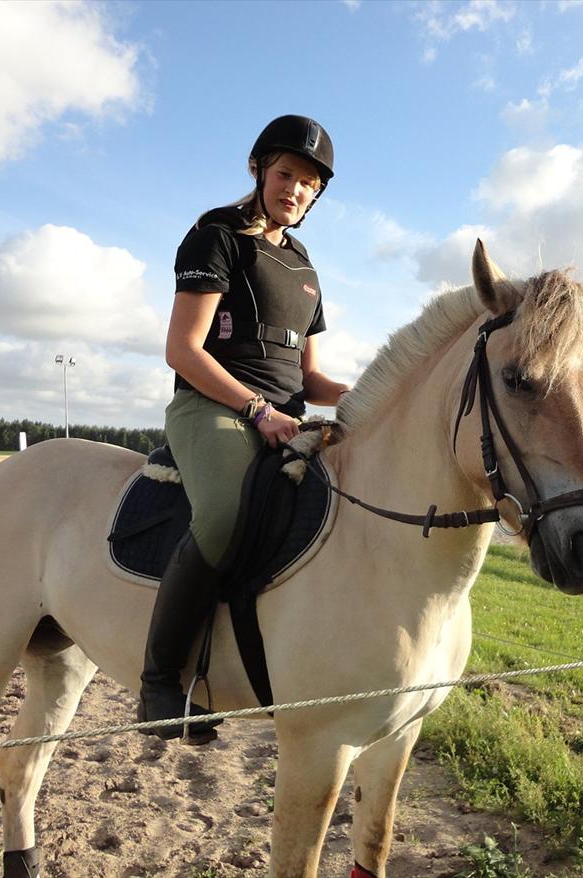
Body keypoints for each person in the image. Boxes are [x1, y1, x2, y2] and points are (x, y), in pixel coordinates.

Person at [139, 115, 351, 742]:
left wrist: (358, 396)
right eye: (286, 174)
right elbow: (183, 350)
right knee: (227, 515)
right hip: (212, 408)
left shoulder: (306, 266)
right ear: (259, 169)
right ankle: (158, 684)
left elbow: (310, 378)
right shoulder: (216, 236)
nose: (295, 190)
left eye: (309, 184)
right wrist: (258, 410)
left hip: (286, 415)